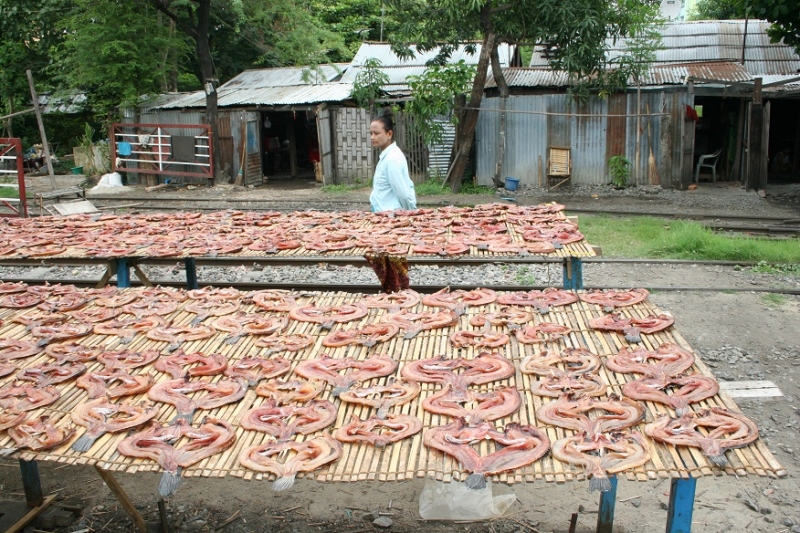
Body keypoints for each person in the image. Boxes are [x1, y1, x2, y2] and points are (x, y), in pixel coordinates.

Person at [369, 115, 416, 212]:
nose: (372, 137)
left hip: (391, 216)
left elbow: (403, 194)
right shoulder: (387, 156)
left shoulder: (392, 159)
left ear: (389, 134)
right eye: (371, 133)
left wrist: (411, 213)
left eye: (376, 133)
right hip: (384, 215)